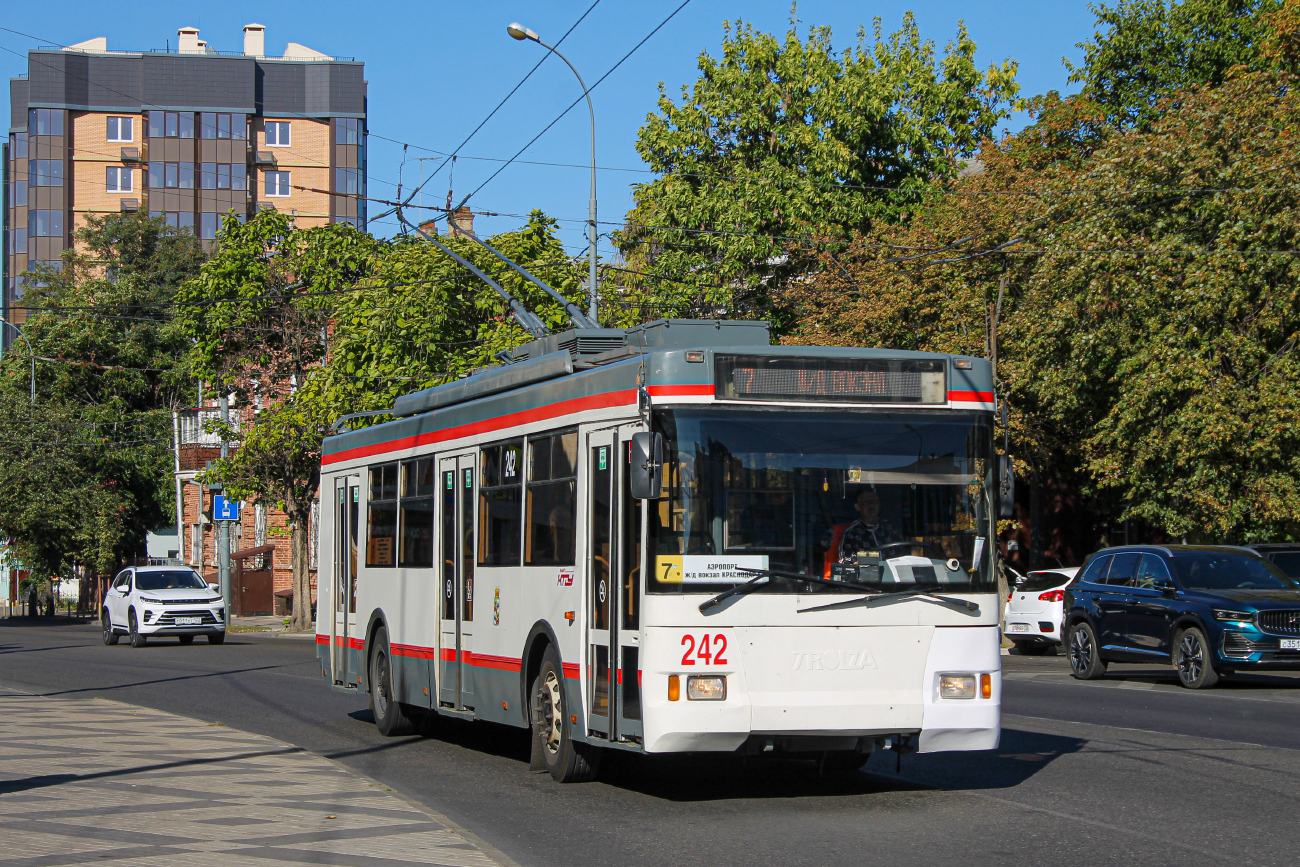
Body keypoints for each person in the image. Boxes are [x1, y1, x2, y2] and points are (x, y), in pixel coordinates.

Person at [837, 487, 903, 562]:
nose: (871, 505)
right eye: (865, 502)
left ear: (879, 504)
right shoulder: (851, 534)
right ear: (858, 507)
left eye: (874, 501)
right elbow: (846, 565)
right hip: (867, 573)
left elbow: (903, 555)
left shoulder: (890, 528)